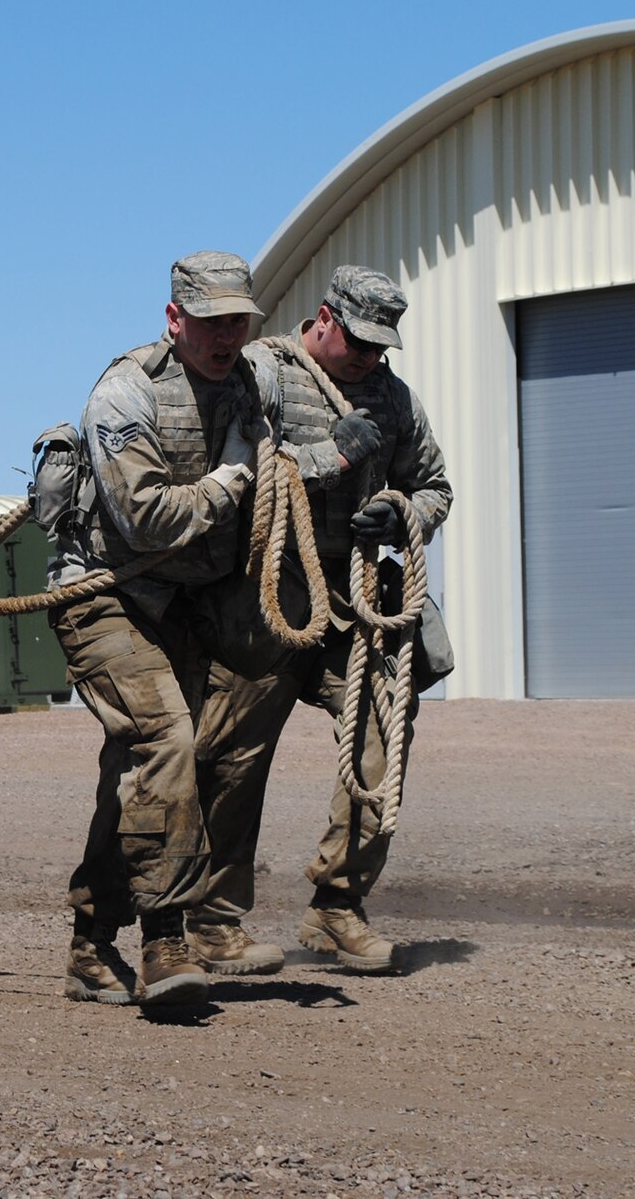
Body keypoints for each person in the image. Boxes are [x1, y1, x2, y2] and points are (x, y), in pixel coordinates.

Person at [194, 265, 451, 974]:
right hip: (268, 599)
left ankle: (338, 905)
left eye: (381, 344)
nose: (371, 356)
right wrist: (329, 455)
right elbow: (229, 468)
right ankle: (211, 918)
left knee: (381, 742)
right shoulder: (264, 372)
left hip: (354, 603)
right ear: (324, 317)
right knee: (232, 759)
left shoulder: (395, 399)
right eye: (360, 340)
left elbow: (435, 486)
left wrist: (401, 512)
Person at [50, 250, 266, 1006]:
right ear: (175, 319)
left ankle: (88, 944)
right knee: (165, 741)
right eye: (209, 321)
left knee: (143, 770)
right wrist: (231, 478)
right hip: (101, 594)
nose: (224, 336)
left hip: (179, 606)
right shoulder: (124, 394)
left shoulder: (249, 386)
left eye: (236, 321)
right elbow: (145, 519)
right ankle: (164, 940)